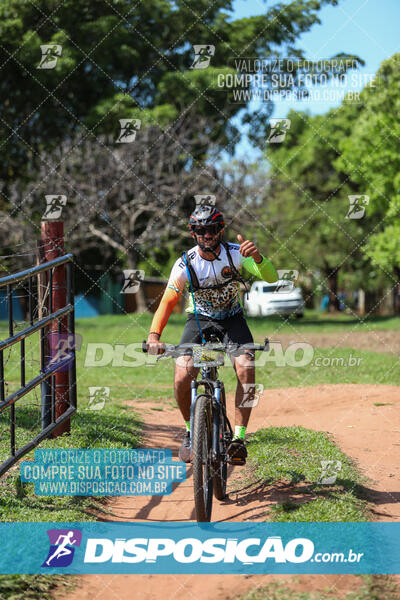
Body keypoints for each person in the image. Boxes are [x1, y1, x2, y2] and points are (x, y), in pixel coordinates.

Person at [146, 205, 278, 464]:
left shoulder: (236, 254)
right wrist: (153, 335)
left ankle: (238, 438)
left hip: (232, 320)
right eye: (201, 230)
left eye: (213, 229)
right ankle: (189, 431)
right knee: (183, 375)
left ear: (221, 229)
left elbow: (271, 277)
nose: (207, 234)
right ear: (193, 233)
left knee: (246, 368)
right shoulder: (185, 263)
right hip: (200, 321)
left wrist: (259, 259)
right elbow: (168, 301)